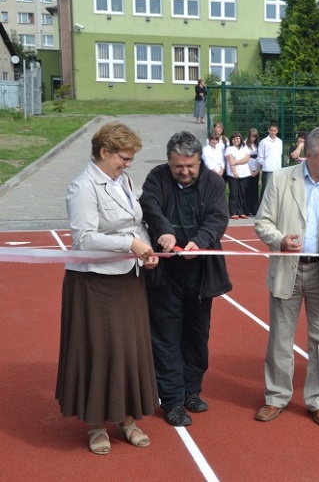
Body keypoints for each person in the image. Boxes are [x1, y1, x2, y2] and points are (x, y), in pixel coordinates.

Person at [57, 122, 159, 455]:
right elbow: (84, 239)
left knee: (129, 349)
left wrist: (144, 248)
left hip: (128, 278)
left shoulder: (123, 181)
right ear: (104, 152)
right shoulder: (82, 187)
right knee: (99, 351)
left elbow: (135, 222)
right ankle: (97, 425)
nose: (128, 164)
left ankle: (127, 419)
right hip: (95, 283)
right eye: (124, 158)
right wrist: (130, 244)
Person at [253, 126, 319, 427]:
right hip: (288, 268)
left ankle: (318, 400)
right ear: (309, 156)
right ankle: (276, 397)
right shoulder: (281, 179)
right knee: (280, 339)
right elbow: (263, 223)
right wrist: (279, 240)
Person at [140, 131, 232, 427]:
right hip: (165, 274)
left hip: (200, 273)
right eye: (178, 166)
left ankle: (192, 390)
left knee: (196, 335)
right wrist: (163, 231)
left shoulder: (214, 183)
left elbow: (218, 218)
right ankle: (172, 400)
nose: (185, 171)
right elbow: (150, 207)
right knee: (166, 337)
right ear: (168, 162)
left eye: (190, 165)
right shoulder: (156, 178)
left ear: (199, 161)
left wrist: (200, 242)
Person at [225, 132, 250, 219]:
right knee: (234, 193)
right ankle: (233, 212)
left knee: (242, 193)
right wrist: (234, 172)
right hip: (233, 174)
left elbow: (246, 159)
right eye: (234, 139)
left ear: (240, 139)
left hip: (244, 173)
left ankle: (241, 211)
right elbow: (230, 160)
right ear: (232, 140)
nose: (236, 140)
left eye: (237, 138)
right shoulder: (229, 149)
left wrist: (236, 162)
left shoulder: (245, 147)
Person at [258, 124, 283, 199]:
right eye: (271, 130)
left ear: (277, 131)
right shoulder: (264, 142)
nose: (273, 132)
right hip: (268, 169)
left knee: (276, 189)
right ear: (268, 130)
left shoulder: (279, 141)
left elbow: (280, 154)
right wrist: (265, 165)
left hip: (277, 169)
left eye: (274, 130)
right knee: (266, 189)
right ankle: (262, 208)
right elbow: (260, 156)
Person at [245, 128, 261, 215]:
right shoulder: (244, 144)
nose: (253, 139)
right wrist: (250, 170)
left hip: (256, 169)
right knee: (247, 189)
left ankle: (255, 209)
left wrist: (257, 170)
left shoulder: (259, 145)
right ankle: (247, 209)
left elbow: (260, 159)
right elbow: (244, 158)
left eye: (255, 137)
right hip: (247, 169)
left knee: (255, 190)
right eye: (252, 137)